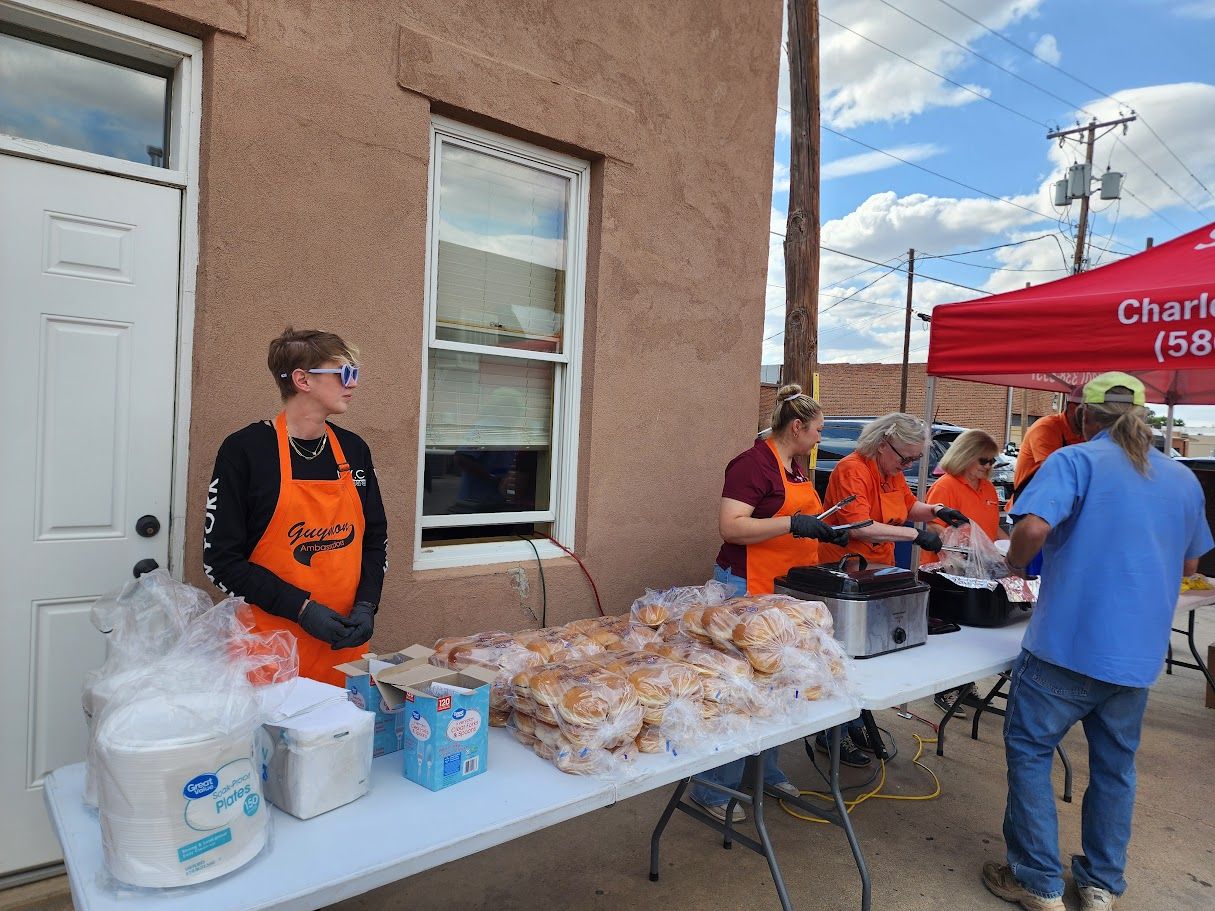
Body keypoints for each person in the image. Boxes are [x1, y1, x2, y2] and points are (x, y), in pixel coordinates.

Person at [982, 372, 1212, 911]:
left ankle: (1038, 881)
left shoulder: (1074, 460)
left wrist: (1013, 562)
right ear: (1144, 419)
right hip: (1137, 658)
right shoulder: (1182, 479)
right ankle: (1100, 884)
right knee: (1114, 768)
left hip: (1065, 647)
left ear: (1083, 416)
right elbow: (1193, 563)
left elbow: (1033, 528)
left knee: (1032, 754)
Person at [690, 384, 850, 823]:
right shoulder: (751, 465)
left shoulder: (796, 468)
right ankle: (713, 786)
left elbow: (795, 522)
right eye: (817, 430)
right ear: (796, 427)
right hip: (745, 585)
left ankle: (765, 769)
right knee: (740, 686)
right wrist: (793, 524)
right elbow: (732, 527)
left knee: (779, 681)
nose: (820, 439)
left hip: (784, 587)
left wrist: (820, 529)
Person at [204, 328, 389, 686]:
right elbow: (221, 562)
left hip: (343, 648)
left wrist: (367, 605)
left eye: (356, 373)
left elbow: (375, 538)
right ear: (303, 380)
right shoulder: (245, 451)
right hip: (268, 650)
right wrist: (302, 610)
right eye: (345, 373)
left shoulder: (354, 450)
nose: (354, 384)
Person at [816, 413, 971, 763]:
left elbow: (907, 506)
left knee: (869, 655)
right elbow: (861, 527)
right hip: (844, 576)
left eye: (914, 460)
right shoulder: (852, 469)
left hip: (879, 573)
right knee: (842, 655)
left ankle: (853, 721)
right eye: (905, 458)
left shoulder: (892, 472)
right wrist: (918, 535)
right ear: (883, 443)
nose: (908, 465)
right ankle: (830, 731)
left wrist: (938, 510)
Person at [925, 428, 1010, 717]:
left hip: (979, 569)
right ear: (966, 456)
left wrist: (1009, 547)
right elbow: (931, 525)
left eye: (992, 461)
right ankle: (945, 687)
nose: (989, 467)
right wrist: (955, 540)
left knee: (972, 631)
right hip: (949, 569)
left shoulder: (987, 489)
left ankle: (965, 684)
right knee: (952, 629)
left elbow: (991, 528)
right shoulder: (946, 486)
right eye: (983, 461)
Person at [1008, 390, 1083, 510]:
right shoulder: (1047, 427)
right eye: (1092, 411)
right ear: (1073, 408)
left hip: (1060, 507)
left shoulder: (1087, 433)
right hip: (1030, 508)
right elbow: (1053, 472)